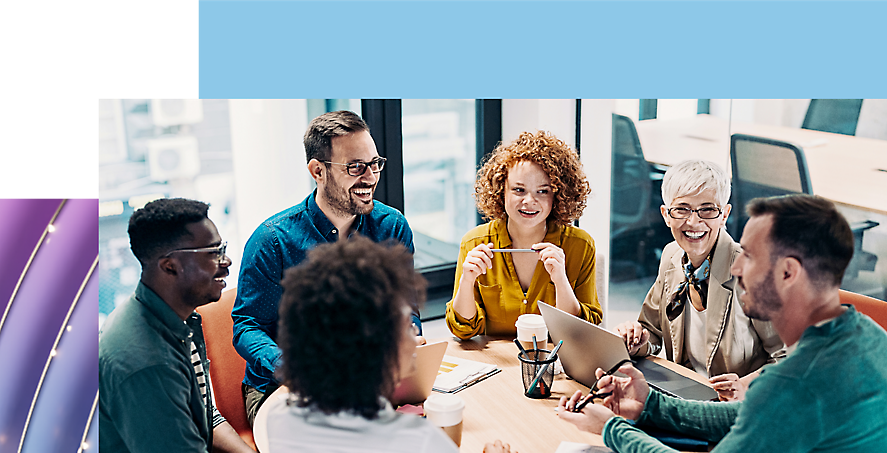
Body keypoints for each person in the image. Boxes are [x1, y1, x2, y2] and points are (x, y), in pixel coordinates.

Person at [557, 195, 887, 453]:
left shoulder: (795, 381)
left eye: (748, 256)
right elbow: (748, 415)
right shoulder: (868, 336)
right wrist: (649, 405)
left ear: (788, 273)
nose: (735, 269)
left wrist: (612, 428)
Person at [266, 237, 524, 453]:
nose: (415, 333)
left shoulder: (281, 417)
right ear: (374, 345)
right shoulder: (413, 441)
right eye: (404, 324)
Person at [99, 199, 273, 453]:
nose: (226, 261)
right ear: (170, 266)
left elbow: (205, 414)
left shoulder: (178, 319)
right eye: (213, 252)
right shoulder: (145, 361)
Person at [233, 110, 422, 428]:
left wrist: (408, 333)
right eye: (355, 167)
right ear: (317, 171)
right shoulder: (273, 240)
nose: (371, 177)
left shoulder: (392, 227)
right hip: (282, 388)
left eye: (375, 164)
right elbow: (247, 327)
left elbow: (407, 308)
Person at [615, 160, 783, 401]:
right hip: (684, 396)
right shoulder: (671, 255)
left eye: (707, 209)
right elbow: (651, 331)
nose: (693, 222)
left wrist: (747, 386)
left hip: (738, 410)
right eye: (682, 209)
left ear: (724, 214)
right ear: (666, 215)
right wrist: (634, 339)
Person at [446, 131, 601, 338]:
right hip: (497, 365)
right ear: (501, 190)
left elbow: (582, 333)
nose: (529, 201)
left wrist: (560, 279)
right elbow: (463, 330)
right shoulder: (474, 243)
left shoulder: (580, 245)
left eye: (543, 191)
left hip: (554, 364)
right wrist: (467, 281)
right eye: (519, 190)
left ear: (558, 194)